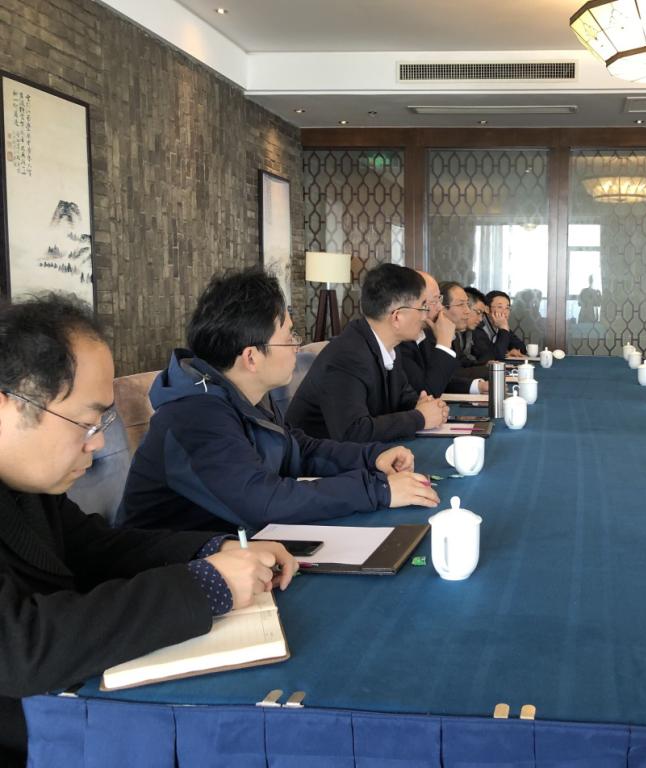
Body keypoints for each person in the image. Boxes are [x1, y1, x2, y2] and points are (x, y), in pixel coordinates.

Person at [0, 294, 298, 763]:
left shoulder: (30, 486)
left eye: (103, 421)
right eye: (84, 422)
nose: (98, 443)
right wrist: (205, 586)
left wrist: (211, 549)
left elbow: (97, 548)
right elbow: (23, 648)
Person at [118, 268, 438, 533]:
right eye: (289, 338)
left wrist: (372, 458)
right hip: (171, 572)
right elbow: (265, 501)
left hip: (237, 548)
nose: (297, 347)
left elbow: (298, 449)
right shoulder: (195, 416)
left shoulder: (242, 392)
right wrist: (378, 490)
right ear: (252, 357)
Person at [287, 264, 448, 442]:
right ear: (397, 317)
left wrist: (424, 405)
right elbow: (353, 431)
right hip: (316, 456)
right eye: (422, 308)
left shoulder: (388, 345)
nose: (425, 316)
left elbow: (402, 398)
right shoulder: (347, 356)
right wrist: (420, 417)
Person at [475, 290, 528, 361]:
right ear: (487, 309)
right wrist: (503, 328)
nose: (505, 312)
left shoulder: (501, 326)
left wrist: (511, 351)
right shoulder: (478, 327)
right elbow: (496, 356)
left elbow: (522, 348)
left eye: (507, 308)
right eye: (500, 307)